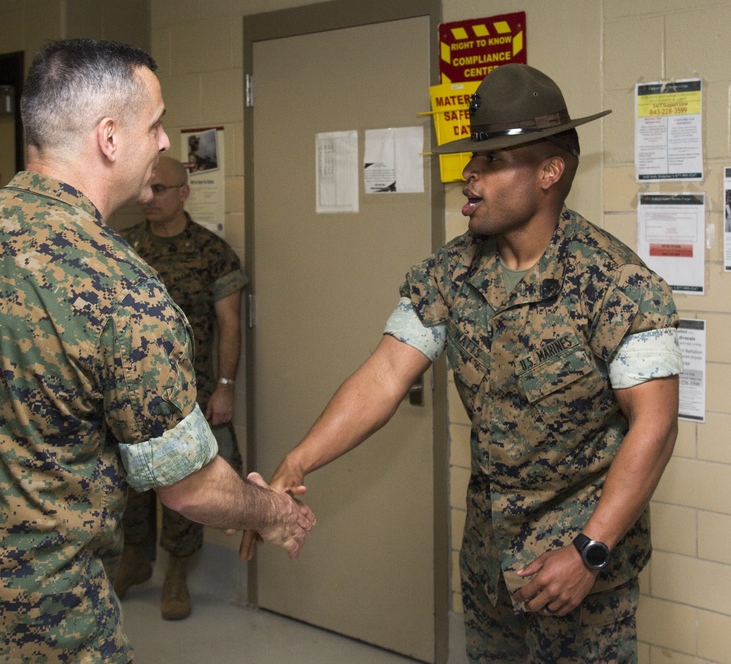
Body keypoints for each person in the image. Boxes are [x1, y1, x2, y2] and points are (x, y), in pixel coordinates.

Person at [0, 39, 313, 663]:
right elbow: (190, 488)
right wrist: (270, 511)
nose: (167, 141)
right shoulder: (120, 288)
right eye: (157, 124)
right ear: (110, 138)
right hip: (38, 635)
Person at [244, 64, 682, 662]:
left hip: (581, 566)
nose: (468, 176)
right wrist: (295, 463)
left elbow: (654, 428)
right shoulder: (449, 273)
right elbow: (383, 377)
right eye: (471, 158)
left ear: (550, 172)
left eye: (493, 162)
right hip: (489, 559)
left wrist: (589, 551)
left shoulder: (619, 286)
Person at [113, 155, 248, 620]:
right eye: (146, 190)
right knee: (130, 482)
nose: (150, 199)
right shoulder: (124, 248)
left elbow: (230, 325)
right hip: (129, 390)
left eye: (161, 190)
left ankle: (176, 569)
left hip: (188, 391)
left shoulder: (213, 252)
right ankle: (134, 559)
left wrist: (225, 386)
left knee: (183, 482)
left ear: (184, 192)